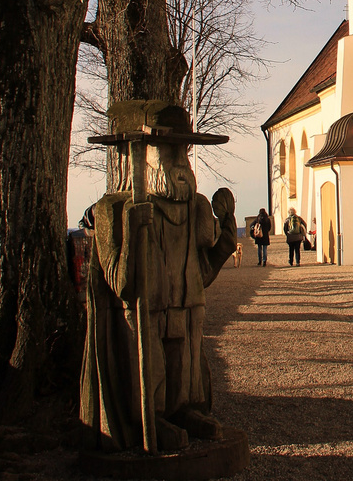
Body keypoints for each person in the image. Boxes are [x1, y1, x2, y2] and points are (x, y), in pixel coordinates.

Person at [80, 101, 237, 453]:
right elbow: (121, 285)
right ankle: (149, 418)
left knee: (186, 362)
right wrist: (134, 232)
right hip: (144, 310)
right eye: (168, 149)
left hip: (187, 306)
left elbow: (202, 272)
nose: (180, 160)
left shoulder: (195, 208)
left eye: (183, 149)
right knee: (150, 364)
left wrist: (226, 238)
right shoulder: (115, 211)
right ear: (135, 155)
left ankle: (184, 412)